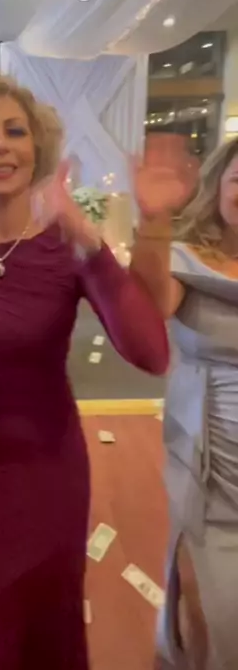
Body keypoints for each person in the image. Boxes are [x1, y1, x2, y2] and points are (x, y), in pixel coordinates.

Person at [0, 69, 169, 670]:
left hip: (51, 468)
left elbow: (151, 355)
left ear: (38, 149)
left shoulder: (68, 245)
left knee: (53, 611)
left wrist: (89, 244)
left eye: (15, 131)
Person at [131, 134, 238, 670]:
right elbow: (150, 305)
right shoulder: (187, 258)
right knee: (214, 604)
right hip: (213, 458)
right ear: (218, 186)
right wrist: (154, 220)